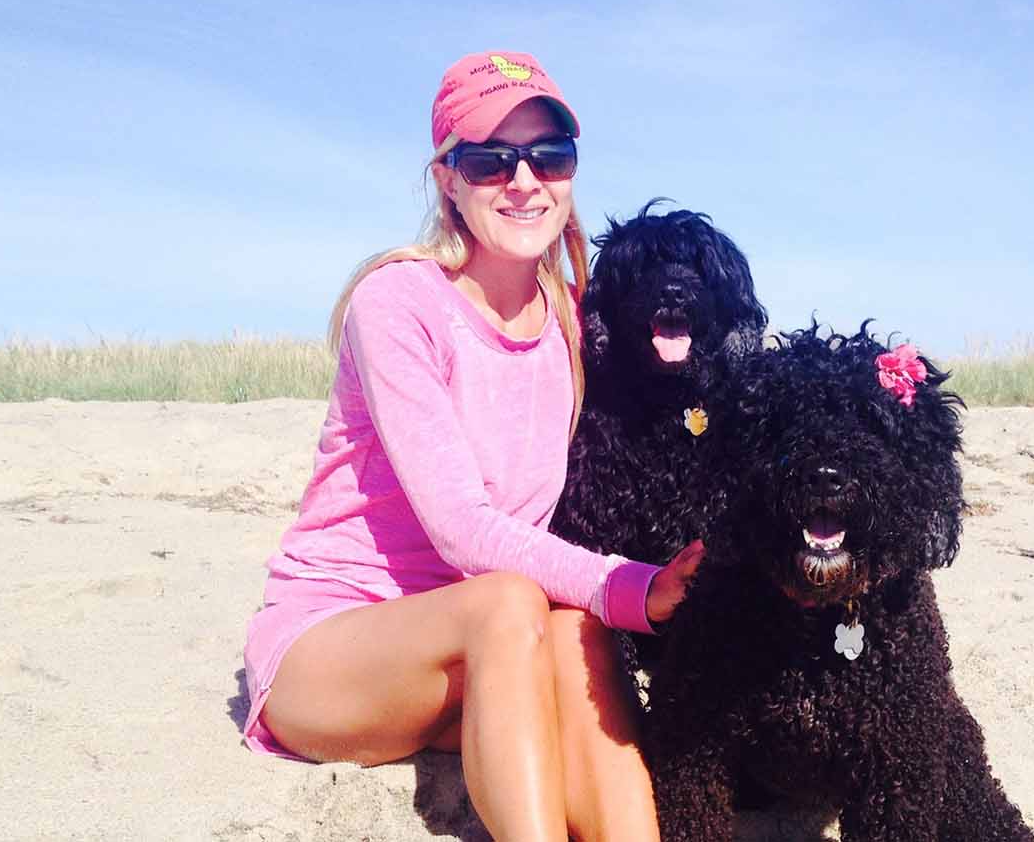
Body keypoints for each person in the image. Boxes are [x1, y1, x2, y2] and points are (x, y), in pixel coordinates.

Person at [240, 51, 705, 842]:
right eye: (491, 161)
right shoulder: (399, 302)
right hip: (334, 651)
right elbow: (462, 529)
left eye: (549, 156)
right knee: (514, 599)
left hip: (486, 659)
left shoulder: (575, 318)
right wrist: (635, 586)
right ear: (448, 180)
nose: (524, 181)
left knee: (575, 629)